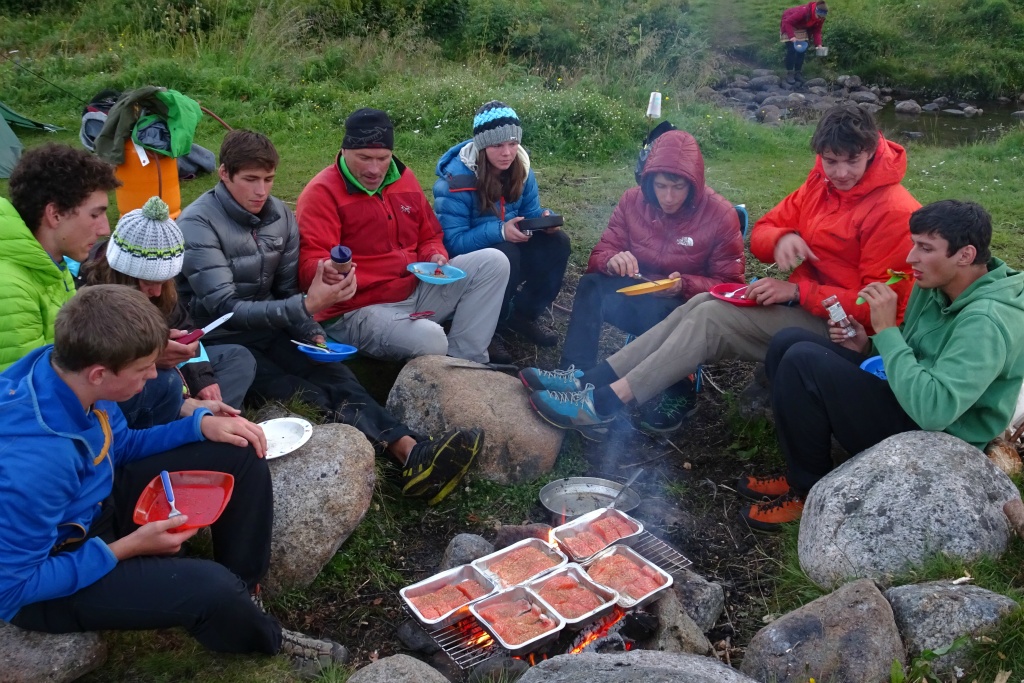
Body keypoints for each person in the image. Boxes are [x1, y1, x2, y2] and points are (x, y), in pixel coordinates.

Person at [520, 105, 920, 441]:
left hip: (848, 334)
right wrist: (782, 237)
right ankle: (587, 380)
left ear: (872, 150)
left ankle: (602, 404)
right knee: (700, 303)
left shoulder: (892, 210)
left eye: (852, 161)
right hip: (807, 307)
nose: (841, 172)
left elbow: (880, 307)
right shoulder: (821, 184)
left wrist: (799, 294)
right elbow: (762, 232)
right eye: (831, 161)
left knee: (709, 314)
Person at [0, 285, 349, 669]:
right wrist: (128, 548)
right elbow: (12, 587)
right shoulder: (37, 462)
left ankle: (244, 593)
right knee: (211, 589)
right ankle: (262, 635)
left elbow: (120, 446)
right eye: (142, 369)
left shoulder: (68, 372)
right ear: (99, 373)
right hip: (48, 576)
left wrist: (199, 426)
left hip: (90, 506)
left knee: (238, 451)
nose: (153, 377)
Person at [177, 129, 481, 505]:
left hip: (272, 326)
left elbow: (287, 291)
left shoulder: (279, 219)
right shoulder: (197, 223)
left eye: (268, 180)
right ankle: (399, 458)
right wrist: (306, 309)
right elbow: (224, 307)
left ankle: (411, 451)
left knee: (335, 373)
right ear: (224, 174)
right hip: (224, 340)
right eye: (250, 180)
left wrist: (312, 333)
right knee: (303, 390)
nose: (260, 191)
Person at [739, 200, 1024, 531]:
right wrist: (868, 344)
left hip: (941, 440)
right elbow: (912, 351)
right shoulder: (935, 285)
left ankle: (808, 494)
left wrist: (887, 331)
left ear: (965, 255)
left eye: (925, 248)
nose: (910, 258)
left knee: (804, 363)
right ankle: (800, 470)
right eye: (913, 243)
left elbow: (935, 411)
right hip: (909, 395)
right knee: (787, 341)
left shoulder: (986, 321)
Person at [555, 128, 745, 434]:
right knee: (592, 285)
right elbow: (601, 252)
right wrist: (611, 260)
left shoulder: (721, 215)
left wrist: (685, 285)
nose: (668, 197)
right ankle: (575, 373)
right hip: (637, 297)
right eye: (661, 186)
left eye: (677, 187)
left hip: (681, 312)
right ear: (648, 181)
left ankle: (680, 389)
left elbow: (732, 286)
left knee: (672, 318)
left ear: (693, 185)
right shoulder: (633, 201)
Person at [296, 108, 509, 364]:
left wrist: (434, 254)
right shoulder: (322, 192)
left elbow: (429, 234)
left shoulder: (404, 178)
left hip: (414, 290)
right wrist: (326, 269)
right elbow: (308, 266)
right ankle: (444, 360)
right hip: (357, 309)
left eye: (383, 158)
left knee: (494, 261)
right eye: (364, 158)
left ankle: (467, 361)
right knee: (432, 339)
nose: (375, 169)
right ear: (344, 151)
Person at [78, 196, 257, 427]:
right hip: (134, 384)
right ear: (121, 273)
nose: (156, 291)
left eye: (164, 281)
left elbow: (185, 326)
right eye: (147, 282)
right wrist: (151, 357)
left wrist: (200, 375)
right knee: (165, 381)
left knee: (237, 358)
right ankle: (193, 426)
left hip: (170, 372)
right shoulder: (92, 297)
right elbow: (98, 367)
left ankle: (206, 419)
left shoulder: (160, 291)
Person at [433, 100, 570, 358]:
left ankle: (522, 315)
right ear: (483, 145)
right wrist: (500, 232)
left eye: (512, 143)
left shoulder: (522, 169)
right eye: (498, 145)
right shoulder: (455, 180)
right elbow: (452, 242)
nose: (507, 152)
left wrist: (542, 221)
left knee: (557, 243)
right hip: (469, 265)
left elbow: (529, 213)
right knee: (507, 252)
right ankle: (486, 330)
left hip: (509, 250)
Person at [0, 143, 120, 371]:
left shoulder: (48, 262)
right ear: (55, 215)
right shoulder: (9, 290)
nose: (105, 229)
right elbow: (24, 395)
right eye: (95, 214)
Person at [781, 1, 828, 84]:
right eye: (819, 16)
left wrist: (819, 44)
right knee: (791, 49)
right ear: (815, 11)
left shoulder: (821, 18)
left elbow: (817, 31)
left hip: (801, 26)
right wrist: (792, 36)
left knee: (802, 50)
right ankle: (790, 73)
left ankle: (798, 73)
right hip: (789, 23)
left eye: (822, 17)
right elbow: (787, 22)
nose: (820, 19)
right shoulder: (803, 12)